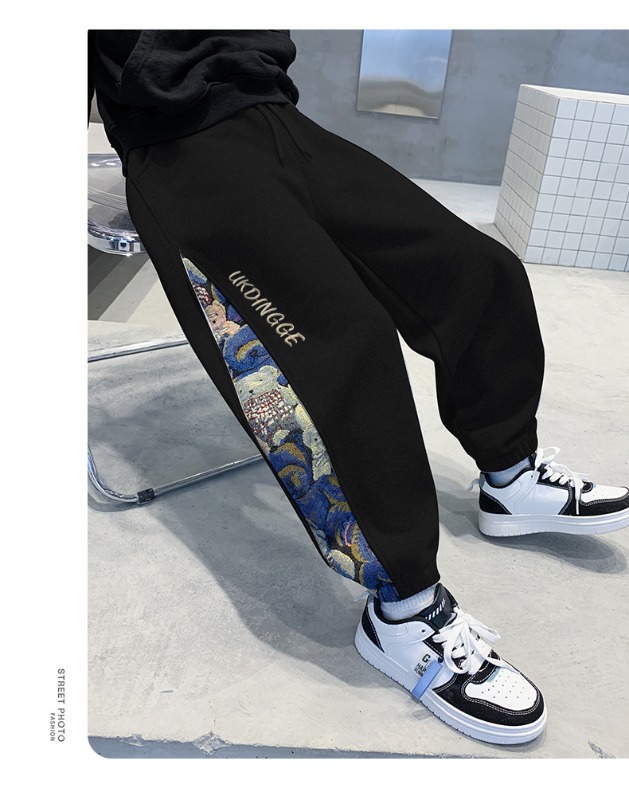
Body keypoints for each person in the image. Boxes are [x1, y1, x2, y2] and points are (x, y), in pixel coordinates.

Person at [88, 30, 629, 746]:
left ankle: (510, 476)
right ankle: (403, 612)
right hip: (177, 144)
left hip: (275, 117)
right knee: (337, 342)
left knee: (477, 269)